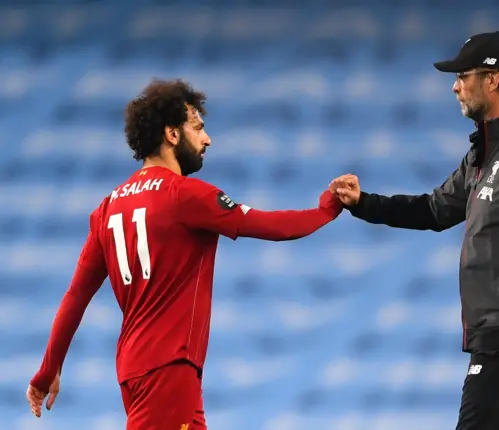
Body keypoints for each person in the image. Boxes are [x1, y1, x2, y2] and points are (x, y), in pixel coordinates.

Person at [26, 79, 343, 429]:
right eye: (198, 128)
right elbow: (272, 226)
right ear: (172, 134)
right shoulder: (185, 195)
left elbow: (75, 297)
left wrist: (48, 369)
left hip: (138, 372)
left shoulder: (107, 209)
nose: (207, 139)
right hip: (168, 371)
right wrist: (327, 209)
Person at [329, 31, 499, 430]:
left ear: (492, 79)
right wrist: (365, 202)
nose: (455, 86)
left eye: (463, 76)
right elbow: (435, 209)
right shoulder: (485, 154)